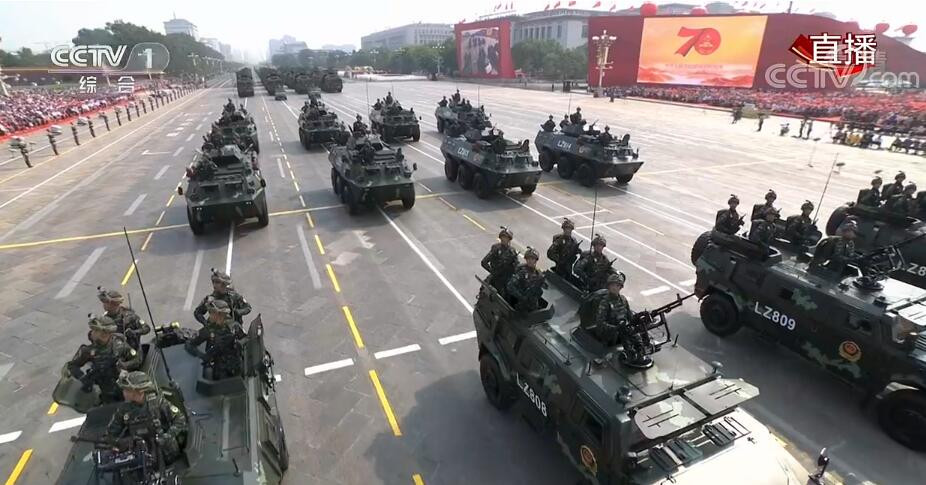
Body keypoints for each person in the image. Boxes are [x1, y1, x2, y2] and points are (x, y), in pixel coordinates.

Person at [104, 371, 187, 467]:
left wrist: (166, 436)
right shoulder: (124, 410)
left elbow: (180, 419)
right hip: (141, 456)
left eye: (128, 390)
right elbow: (111, 432)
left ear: (139, 391)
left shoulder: (157, 403)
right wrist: (117, 444)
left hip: (166, 453)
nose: (124, 393)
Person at [66, 315, 142, 404]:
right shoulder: (87, 351)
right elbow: (72, 366)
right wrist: (83, 378)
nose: (92, 333)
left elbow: (137, 359)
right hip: (104, 391)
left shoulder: (118, 345)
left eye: (95, 330)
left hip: (123, 388)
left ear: (105, 333)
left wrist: (123, 366)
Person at [186, 299, 247, 380]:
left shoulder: (234, 326)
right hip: (220, 370)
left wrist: (239, 344)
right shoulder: (209, 329)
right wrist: (202, 356)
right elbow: (190, 344)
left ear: (219, 314)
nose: (210, 315)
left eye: (211, 313)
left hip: (236, 368)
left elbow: (246, 339)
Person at [586, 273, 634, 347]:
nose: (614, 288)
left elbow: (629, 315)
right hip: (609, 333)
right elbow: (600, 323)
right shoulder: (605, 302)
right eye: (612, 285)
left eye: (617, 285)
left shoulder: (623, 300)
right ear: (609, 286)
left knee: (636, 335)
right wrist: (615, 328)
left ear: (620, 287)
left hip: (622, 329)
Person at [506, 247, 546, 312]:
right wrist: (521, 296)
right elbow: (510, 286)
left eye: (532, 259)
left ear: (535, 260)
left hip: (533, 304)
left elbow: (540, 290)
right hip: (522, 304)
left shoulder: (538, 274)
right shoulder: (522, 272)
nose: (530, 261)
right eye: (528, 259)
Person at [481, 227, 519, 294]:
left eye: (506, 238)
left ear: (509, 239)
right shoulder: (496, 248)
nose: (504, 239)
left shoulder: (512, 252)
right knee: (484, 290)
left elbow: (516, 267)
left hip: (505, 280)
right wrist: (492, 271)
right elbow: (484, 262)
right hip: (494, 277)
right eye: (502, 237)